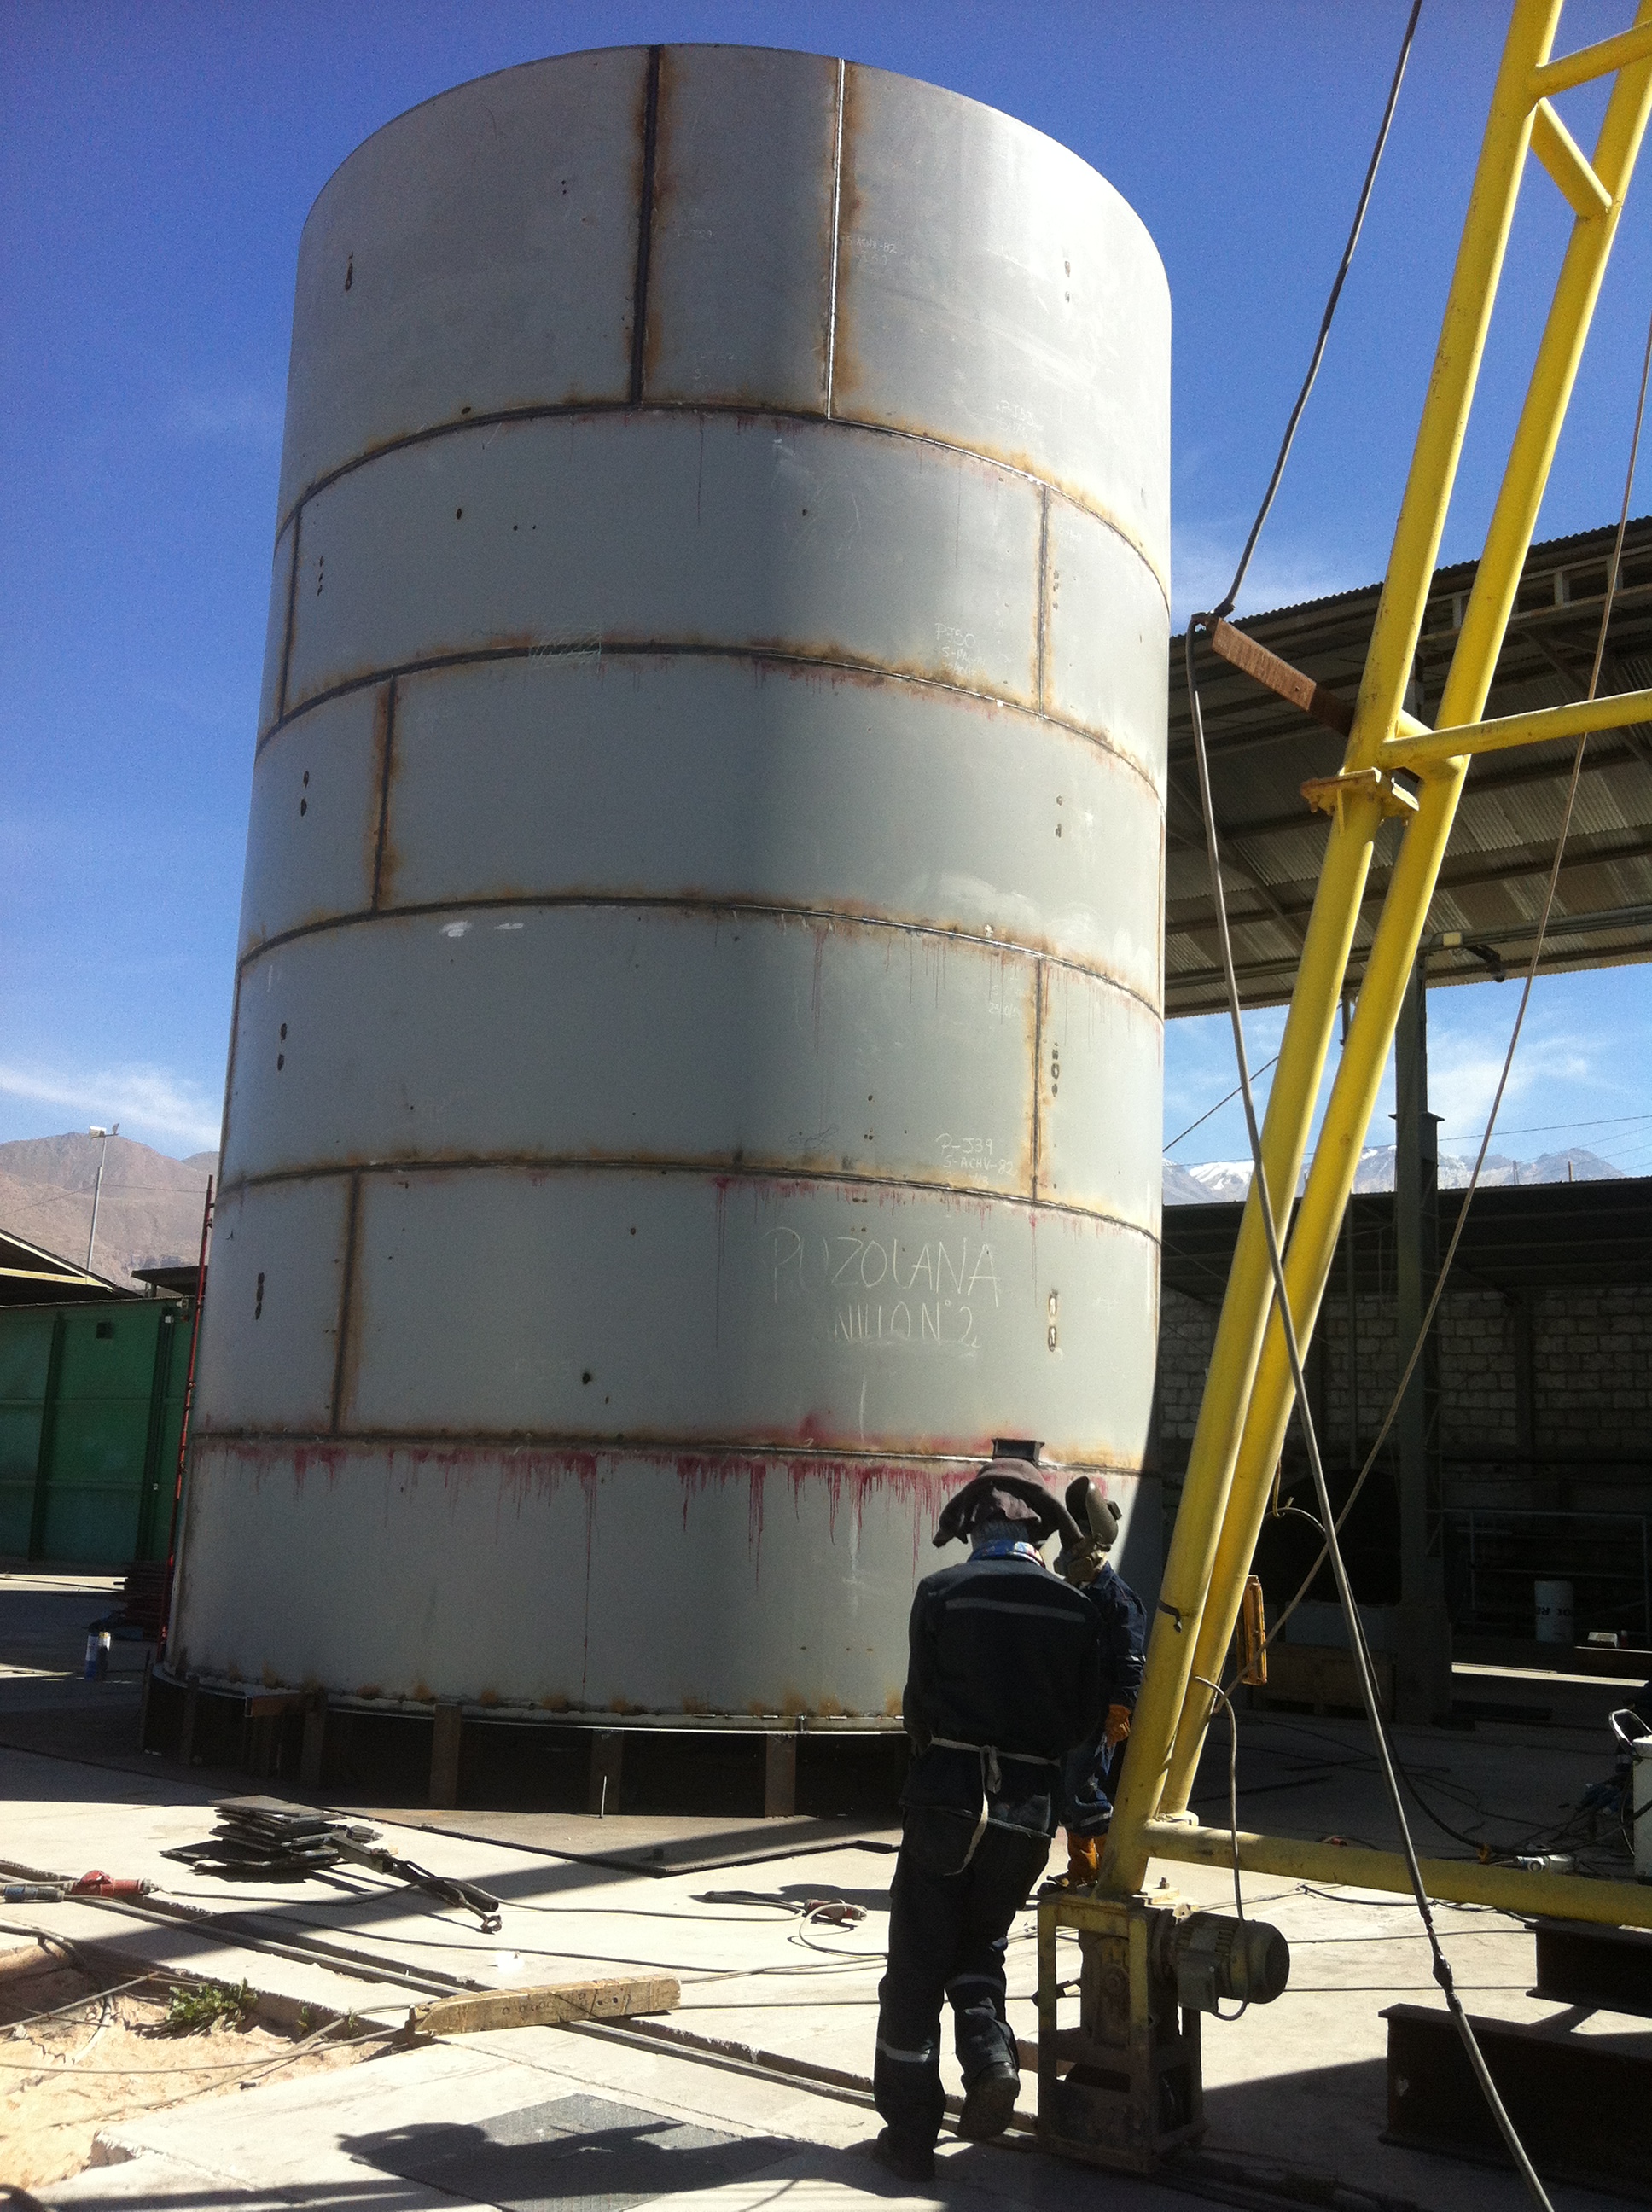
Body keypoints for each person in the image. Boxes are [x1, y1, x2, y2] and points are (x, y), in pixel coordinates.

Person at [870, 1463, 1107, 2184]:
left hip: (948, 1801)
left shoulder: (943, 1592)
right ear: (1038, 1534)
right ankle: (991, 2062)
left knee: (916, 1967)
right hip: (1027, 1816)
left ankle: (911, 2136)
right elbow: (1086, 1723)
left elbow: (919, 1705)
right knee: (980, 1949)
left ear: (975, 1529)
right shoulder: (1078, 1611)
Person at [1056, 1476, 1147, 1888]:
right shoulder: (1079, 1594)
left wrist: (1120, 1710)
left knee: (1084, 1789)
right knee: (1068, 1791)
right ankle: (1084, 1869)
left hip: (1098, 1713)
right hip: (1074, 1710)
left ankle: (1114, 1872)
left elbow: (1131, 1660)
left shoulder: (1118, 1600)